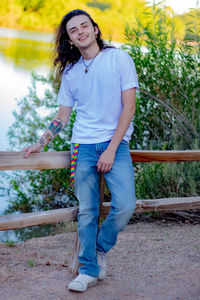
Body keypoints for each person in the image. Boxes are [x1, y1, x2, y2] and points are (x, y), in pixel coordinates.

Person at [22, 9, 139, 292]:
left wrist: (111, 149)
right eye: (73, 30)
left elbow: (129, 107)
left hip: (116, 144)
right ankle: (87, 269)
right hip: (82, 146)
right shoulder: (71, 72)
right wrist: (42, 141)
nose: (80, 32)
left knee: (125, 205)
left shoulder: (119, 59)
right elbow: (62, 117)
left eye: (84, 26)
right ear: (71, 40)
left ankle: (99, 248)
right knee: (87, 210)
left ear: (95, 29)